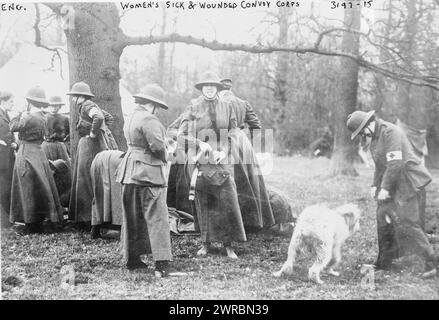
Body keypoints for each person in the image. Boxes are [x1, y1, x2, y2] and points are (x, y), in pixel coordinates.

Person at [347, 110, 437, 278]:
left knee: (408, 223)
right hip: (394, 182)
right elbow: (381, 166)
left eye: (361, 131)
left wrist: (385, 189)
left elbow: (395, 163)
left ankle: (432, 263)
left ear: (368, 125)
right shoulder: (375, 137)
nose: (362, 135)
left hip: (408, 183)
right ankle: (384, 261)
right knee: (382, 215)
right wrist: (375, 185)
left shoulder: (390, 132)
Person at [116, 84, 183, 277]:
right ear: (153, 105)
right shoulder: (149, 119)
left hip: (129, 172)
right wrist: (168, 154)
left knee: (132, 218)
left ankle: (132, 260)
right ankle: (162, 265)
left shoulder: (131, 117)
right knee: (157, 217)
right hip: (148, 173)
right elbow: (157, 147)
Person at [178, 71, 246, 259]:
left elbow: (234, 132)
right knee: (203, 201)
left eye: (213, 86)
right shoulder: (193, 107)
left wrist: (223, 150)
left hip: (223, 161)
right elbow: (181, 135)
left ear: (217, 88)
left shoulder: (228, 106)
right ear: (202, 88)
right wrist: (200, 144)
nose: (209, 88)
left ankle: (228, 244)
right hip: (201, 160)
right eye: (206, 86)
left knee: (227, 200)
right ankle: (205, 243)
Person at [218, 77, 277, 231]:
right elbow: (256, 125)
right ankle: (252, 220)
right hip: (242, 142)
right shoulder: (243, 103)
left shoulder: (218, 103)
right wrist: (245, 137)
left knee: (227, 179)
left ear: (218, 89)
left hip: (225, 141)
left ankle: (232, 221)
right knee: (248, 181)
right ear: (230, 89)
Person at [9, 86, 63, 233]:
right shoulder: (42, 116)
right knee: (41, 184)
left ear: (30, 101)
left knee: (26, 184)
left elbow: (13, 127)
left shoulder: (29, 116)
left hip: (27, 151)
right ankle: (43, 219)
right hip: (38, 152)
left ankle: (30, 222)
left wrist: (18, 113)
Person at [67, 82, 118, 229]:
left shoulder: (87, 106)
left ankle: (88, 219)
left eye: (74, 96)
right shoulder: (88, 105)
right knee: (86, 178)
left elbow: (100, 118)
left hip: (89, 146)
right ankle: (89, 218)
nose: (72, 99)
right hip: (89, 146)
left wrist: (94, 133)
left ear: (80, 97)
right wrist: (103, 131)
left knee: (84, 178)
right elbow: (107, 117)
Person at [0, 91, 17, 228]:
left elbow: (10, 133)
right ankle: (5, 222)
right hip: (1, 157)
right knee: (3, 187)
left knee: (8, 186)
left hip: (8, 155)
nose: (13, 104)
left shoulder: (5, 115)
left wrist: (15, 143)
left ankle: (8, 219)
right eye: (11, 101)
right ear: (3, 101)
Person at [42, 95, 70, 162]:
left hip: (60, 146)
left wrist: (65, 144)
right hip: (46, 145)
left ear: (59, 107)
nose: (54, 108)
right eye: (52, 106)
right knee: (46, 165)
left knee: (63, 166)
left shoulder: (65, 119)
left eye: (56, 106)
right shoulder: (44, 118)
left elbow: (69, 133)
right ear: (49, 106)